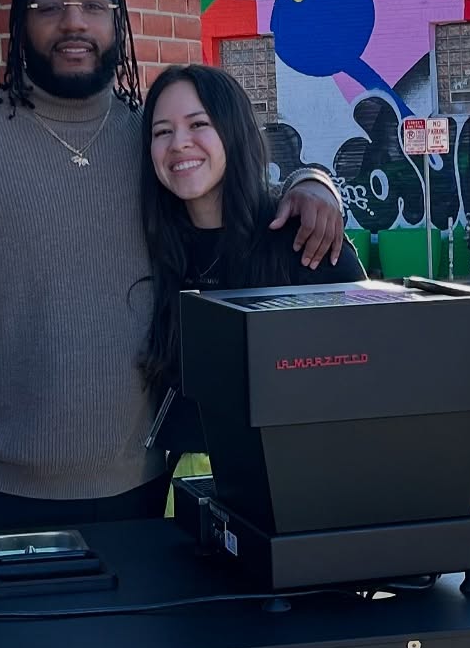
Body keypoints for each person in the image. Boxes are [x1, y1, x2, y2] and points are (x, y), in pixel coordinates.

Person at [0, 0, 346, 533]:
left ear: (116, 21)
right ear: (19, 21)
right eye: (49, 5)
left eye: (93, 4)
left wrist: (315, 181)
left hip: (142, 489)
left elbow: (238, 196)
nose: (73, 22)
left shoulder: (155, 143)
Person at [138, 63, 365, 410]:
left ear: (235, 132)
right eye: (162, 131)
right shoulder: (146, 249)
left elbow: (367, 375)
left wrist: (315, 181)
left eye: (199, 124)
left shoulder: (305, 244)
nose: (179, 143)